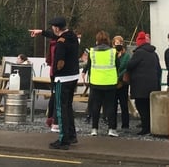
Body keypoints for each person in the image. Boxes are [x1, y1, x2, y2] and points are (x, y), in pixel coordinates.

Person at [47, 16, 79, 150]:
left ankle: (63, 139)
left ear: (56, 28)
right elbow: (55, 36)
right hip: (73, 76)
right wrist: (41, 32)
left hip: (62, 78)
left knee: (60, 109)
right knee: (68, 106)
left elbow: (59, 62)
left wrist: (54, 74)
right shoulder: (72, 37)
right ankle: (71, 135)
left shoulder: (61, 43)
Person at [126, 31, 161, 135]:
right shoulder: (154, 53)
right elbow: (159, 70)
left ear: (138, 43)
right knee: (149, 106)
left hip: (140, 86)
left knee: (141, 106)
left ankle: (145, 128)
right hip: (153, 85)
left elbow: (130, 65)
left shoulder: (139, 53)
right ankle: (150, 126)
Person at [85, 30, 119, 137]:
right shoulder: (113, 52)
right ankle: (111, 129)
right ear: (108, 40)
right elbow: (117, 66)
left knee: (95, 106)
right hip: (110, 83)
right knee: (110, 106)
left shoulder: (92, 52)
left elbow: (89, 66)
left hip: (95, 82)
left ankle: (94, 129)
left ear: (97, 40)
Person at [113, 35, 131, 130]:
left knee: (124, 105)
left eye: (119, 43)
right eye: (116, 43)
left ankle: (125, 124)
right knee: (113, 105)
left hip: (123, 83)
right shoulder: (112, 55)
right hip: (113, 83)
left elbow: (126, 67)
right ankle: (113, 124)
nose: (118, 45)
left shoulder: (127, 56)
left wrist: (118, 77)